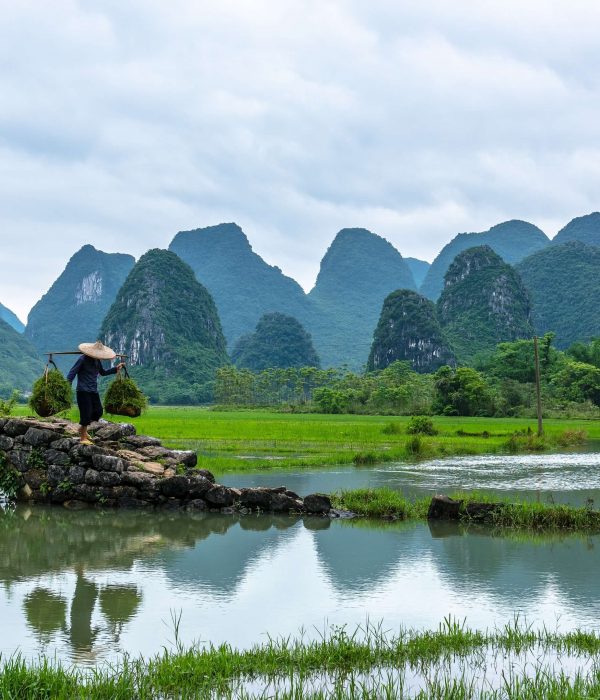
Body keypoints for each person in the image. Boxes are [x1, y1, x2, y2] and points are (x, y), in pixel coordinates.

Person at [67, 341, 125, 444]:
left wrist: (116, 369)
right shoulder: (82, 359)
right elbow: (72, 373)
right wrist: (67, 386)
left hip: (93, 390)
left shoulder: (97, 361)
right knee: (86, 413)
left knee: (98, 411)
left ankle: (81, 429)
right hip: (83, 390)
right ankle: (83, 438)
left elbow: (102, 372)